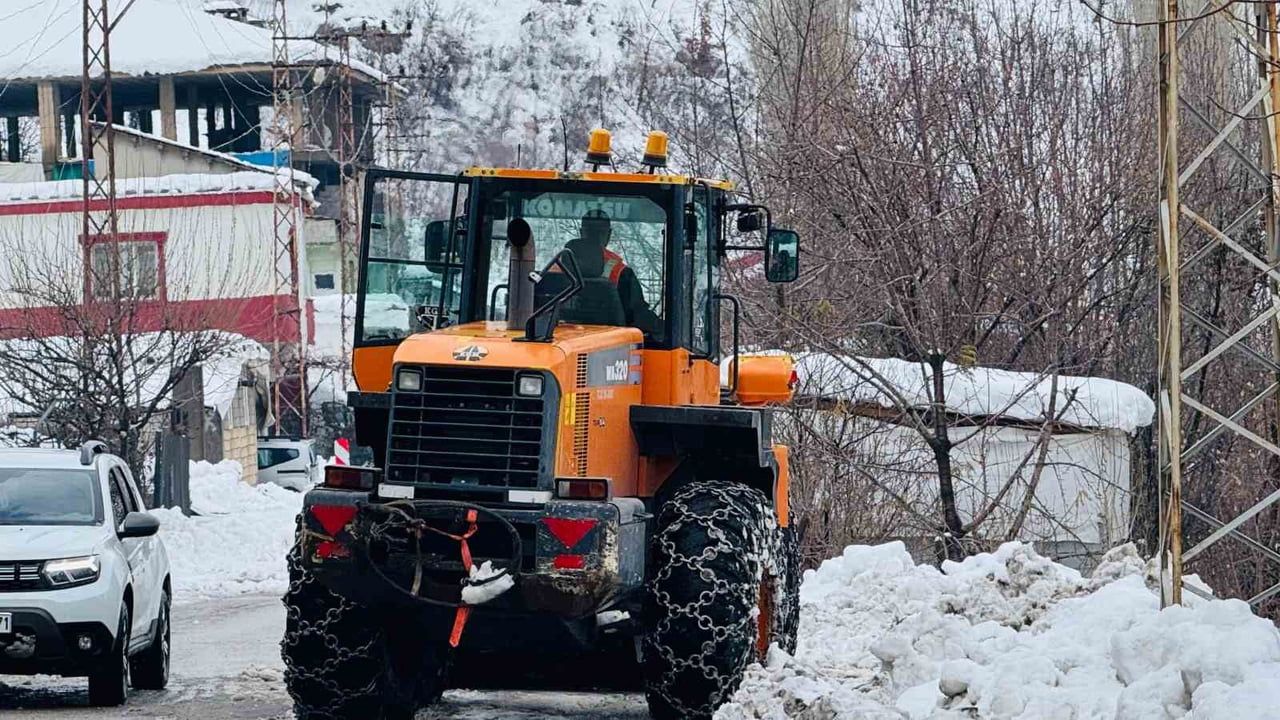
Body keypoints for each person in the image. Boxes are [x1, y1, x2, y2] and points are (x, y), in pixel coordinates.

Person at [563, 209, 662, 338]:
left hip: (561, 338)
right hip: (610, 343)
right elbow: (637, 315)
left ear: (581, 233)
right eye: (592, 232)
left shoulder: (557, 265)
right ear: (609, 235)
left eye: (599, 232)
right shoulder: (621, 272)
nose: (595, 237)